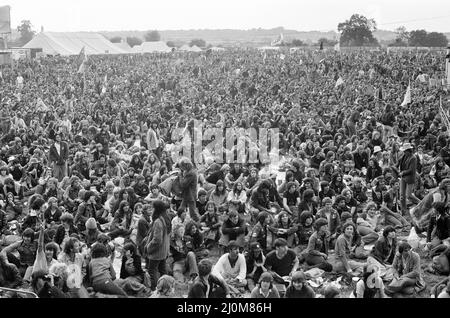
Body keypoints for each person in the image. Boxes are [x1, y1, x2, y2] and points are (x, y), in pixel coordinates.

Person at [142, 200, 171, 291]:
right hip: (163, 250)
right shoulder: (165, 218)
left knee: (152, 271)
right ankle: (165, 288)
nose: (152, 209)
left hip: (157, 252)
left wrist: (148, 247)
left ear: (156, 209)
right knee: (163, 270)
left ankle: (154, 290)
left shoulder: (158, 221)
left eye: (153, 208)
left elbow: (157, 240)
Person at [398, 143, 420, 215]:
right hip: (403, 178)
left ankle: (420, 203)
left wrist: (403, 172)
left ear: (409, 150)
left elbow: (411, 170)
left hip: (409, 178)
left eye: (405, 151)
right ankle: (403, 210)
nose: (404, 152)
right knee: (402, 195)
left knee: (409, 195)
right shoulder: (404, 156)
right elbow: (399, 164)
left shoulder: (413, 158)